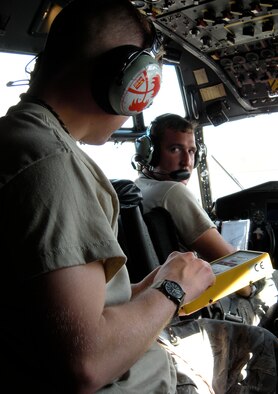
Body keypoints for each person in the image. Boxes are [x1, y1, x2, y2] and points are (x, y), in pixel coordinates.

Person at [0, 2, 277, 393]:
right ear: (128, 80)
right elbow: (86, 362)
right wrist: (172, 289)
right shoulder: (52, 166)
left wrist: (151, 286)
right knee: (262, 347)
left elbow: (68, 309)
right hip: (137, 383)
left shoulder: (17, 142)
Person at [134, 113, 278, 327]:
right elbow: (232, 267)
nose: (187, 161)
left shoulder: (139, 187)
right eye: (175, 149)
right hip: (208, 309)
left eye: (191, 151)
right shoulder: (172, 192)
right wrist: (256, 289)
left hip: (169, 306)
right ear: (151, 154)